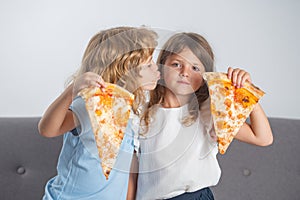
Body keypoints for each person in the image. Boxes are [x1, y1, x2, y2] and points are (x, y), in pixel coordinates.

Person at [136, 32, 273, 200]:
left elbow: (262, 138)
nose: (185, 72)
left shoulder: (209, 111)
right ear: (162, 68)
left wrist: (246, 91)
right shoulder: (142, 113)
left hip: (194, 196)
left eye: (195, 68)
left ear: (204, 77)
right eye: (177, 64)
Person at [38, 26, 160, 200]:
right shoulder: (90, 104)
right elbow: (47, 130)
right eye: (148, 64)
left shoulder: (130, 113)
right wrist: (71, 91)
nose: (156, 68)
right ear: (124, 71)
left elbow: (129, 168)